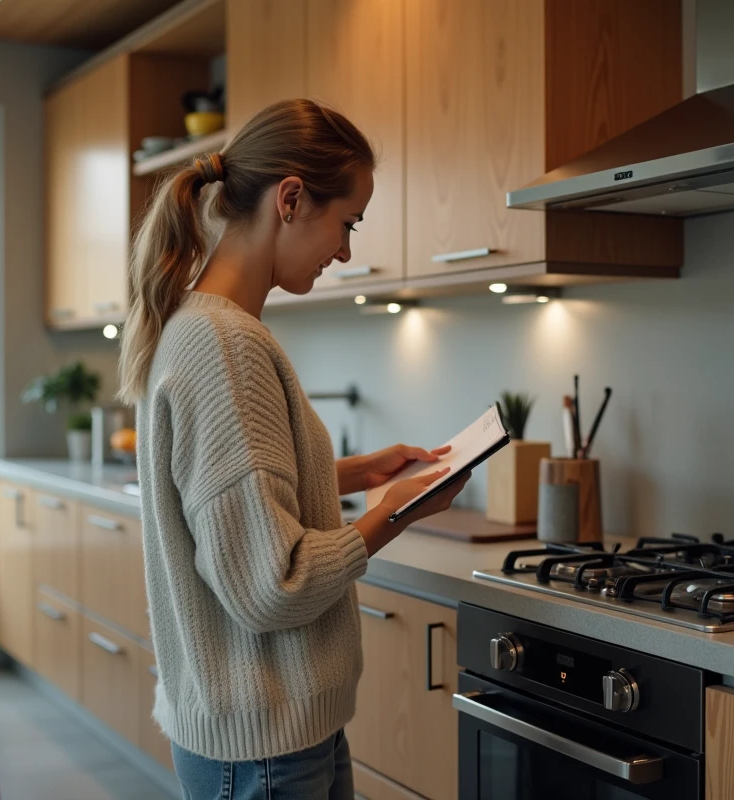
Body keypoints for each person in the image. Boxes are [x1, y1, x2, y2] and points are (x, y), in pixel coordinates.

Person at [116, 99, 470, 800]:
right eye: (348, 223)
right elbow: (270, 586)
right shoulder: (226, 346)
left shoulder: (205, 328)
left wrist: (355, 472)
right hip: (265, 747)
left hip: (265, 734)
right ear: (290, 199)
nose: (344, 251)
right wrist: (395, 511)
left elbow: (234, 493)